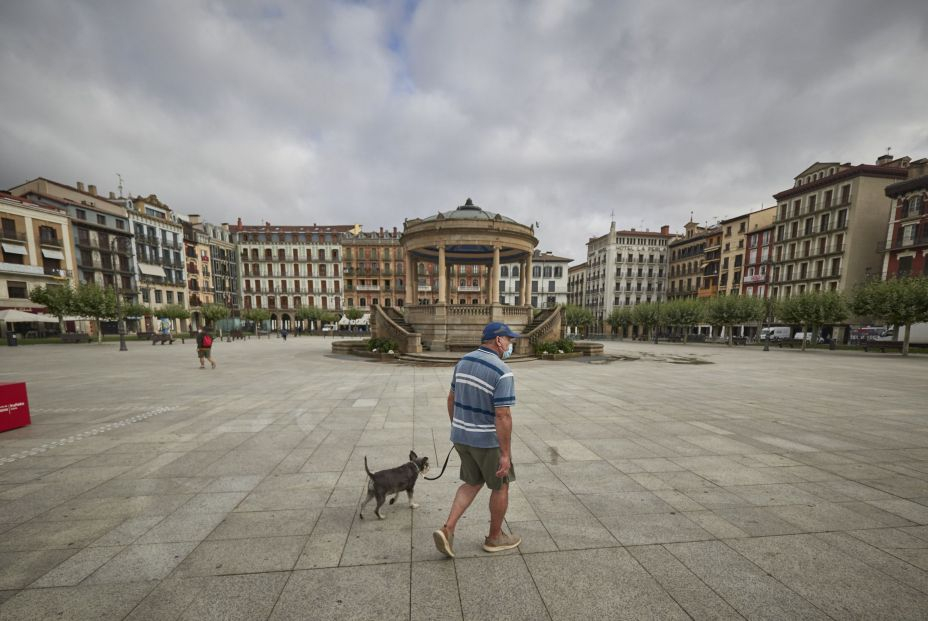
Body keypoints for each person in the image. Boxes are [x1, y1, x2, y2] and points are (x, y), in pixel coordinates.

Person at [433, 322, 522, 558]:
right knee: (501, 485)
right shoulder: (502, 370)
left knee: (472, 483)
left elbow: (451, 399)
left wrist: (458, 428)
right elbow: (502, 415)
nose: (510, 345)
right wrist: (505, 454)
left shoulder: (463, 362)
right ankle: (495, 538)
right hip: (487, 441)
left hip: (462, 436)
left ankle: (448, 529)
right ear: (499, 340)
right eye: (509, 340)